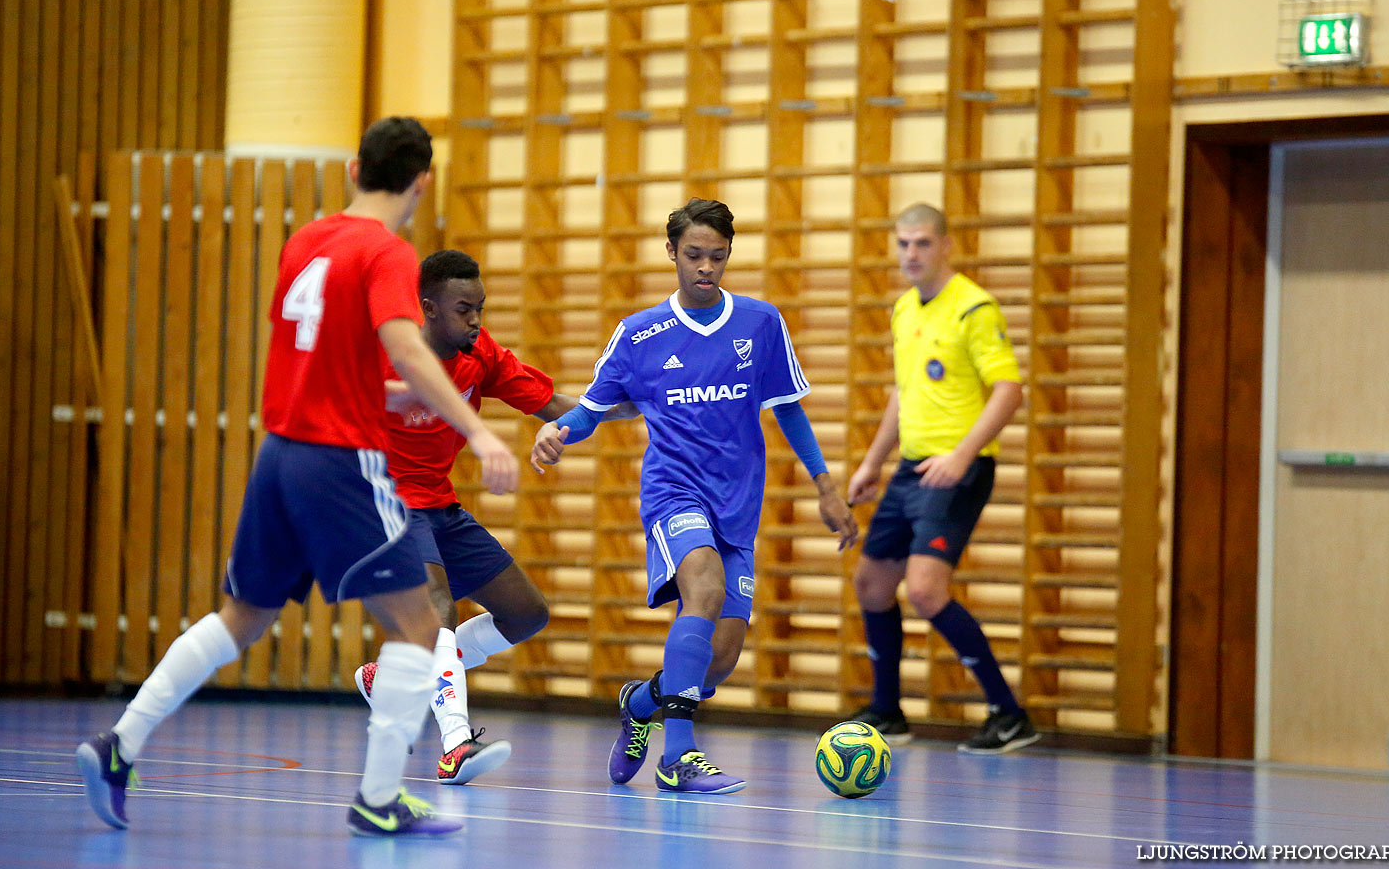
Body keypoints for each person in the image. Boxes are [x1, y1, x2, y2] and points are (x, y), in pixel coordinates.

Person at [75, 117, 520, 837]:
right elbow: (405, 347)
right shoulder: (387, 252)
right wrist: (476, 430)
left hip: (278, 454)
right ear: (422, 181)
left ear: (353, 169)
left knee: (241, 618)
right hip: (340, 461)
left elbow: (324, 365)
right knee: (419, 622)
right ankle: (381, 798)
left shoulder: (306, 240)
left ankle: (119, 744)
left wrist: (393, 398)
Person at [531, 197, 858, 794]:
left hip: (739, 503)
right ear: (672, 255)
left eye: (717, 256)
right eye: (693, 256)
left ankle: (642, 702)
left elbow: (787, 409)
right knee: (701, 587)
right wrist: (558, 432)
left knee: (722, 655)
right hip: (673, 491)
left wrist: (826, 486)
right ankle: (678, 758)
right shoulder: (639, 334)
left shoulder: (760, 323)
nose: (706, 267)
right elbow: (592, 409)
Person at [352, 249, 636, 783]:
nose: (476, 320)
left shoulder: (478, 352)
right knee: (437, 609)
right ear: (428, 308)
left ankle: (392, 675)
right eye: (464, 309)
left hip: (440, 505)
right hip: (385, 503)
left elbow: (553, 403)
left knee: (526, 614)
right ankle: (456, 744)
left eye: (480, 308)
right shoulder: (389, 352)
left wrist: (636, 405)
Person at [844, 202, 1035, 754]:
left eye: (923, 243)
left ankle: (1009, 713)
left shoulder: (974, 308)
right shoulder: (905, 310)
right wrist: (873, 463)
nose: (911, 254)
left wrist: (961, 455)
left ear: (946, 245)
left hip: (959, 469)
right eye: (903, 243)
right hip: (910, 468)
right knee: (872, 584)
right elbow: (903, 395)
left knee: (926, 590)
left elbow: (1008, 390)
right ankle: (888, 711)